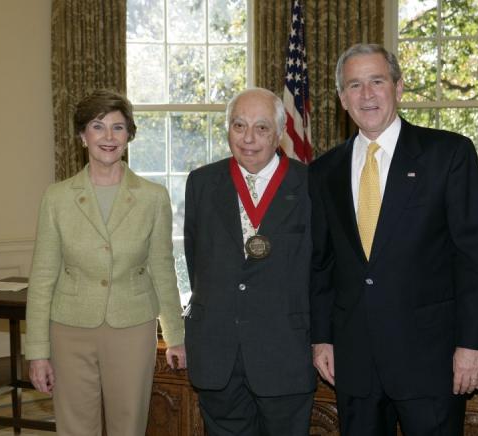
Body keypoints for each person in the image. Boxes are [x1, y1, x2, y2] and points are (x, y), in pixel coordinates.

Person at [309, 43, 478, 435]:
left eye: (377, 81)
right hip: (355, 363)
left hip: (430, 361)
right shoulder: (325, 170)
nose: (367, 94)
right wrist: (322, 338)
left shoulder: (448, 154)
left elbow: (474, 258)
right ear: (342, 99)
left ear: (398, 87)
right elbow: (322, 264)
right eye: (354, 85)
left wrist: (472, 345)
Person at [25, 89, 186, 436]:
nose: (108, 137)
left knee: (128, 424)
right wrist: (37, 351)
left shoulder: (153, 198)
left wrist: (175, 335)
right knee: (75, 427)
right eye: (98, 127)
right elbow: (41, 279)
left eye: (118, 127)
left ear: (129, 135)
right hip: (69, 329)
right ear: (83, 136)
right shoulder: (56, 198)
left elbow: (162, 267)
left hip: (133, 326)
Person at [183, 87, 316, 435]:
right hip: (217, 355)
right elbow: (197, 261)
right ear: (227, 129)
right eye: (239, 126)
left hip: (284, 353)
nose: (249, 138)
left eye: (261, 128)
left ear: (280, 133)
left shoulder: (311, 185)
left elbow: (320, 271)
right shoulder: (201, 183)